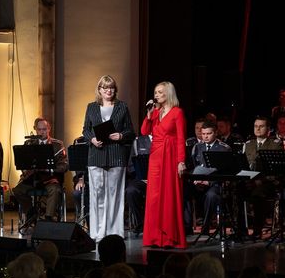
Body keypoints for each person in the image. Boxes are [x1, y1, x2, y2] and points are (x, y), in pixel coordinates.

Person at [82, 75, 135, 242]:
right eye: (105, 88)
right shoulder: (91, 107)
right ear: (99, 90)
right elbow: (85, 130)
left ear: (115, 89)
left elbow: (130, 131)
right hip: (96, 156)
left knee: (115, 195)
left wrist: (121, 135)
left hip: (116, 155)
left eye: (111, 87)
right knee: (97, 195)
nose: (108, 91)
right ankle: (97, 232)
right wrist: (92, 139)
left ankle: (114, 232)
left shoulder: (122, 107)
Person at [142, 81, 187, 249]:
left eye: (160, 92)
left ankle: (169, 237)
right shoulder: (155, 112)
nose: (156, 95)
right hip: (155, 157)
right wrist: (149, 114)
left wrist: (181, 161)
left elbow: (181, 138)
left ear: (168, 93)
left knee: (168, 195)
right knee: (154, 197)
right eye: (155, 92)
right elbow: (144, 131)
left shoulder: (177, 112)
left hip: (170, 156)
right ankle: (154, 237)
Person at [13, 117, 67, 222]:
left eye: (44, 129)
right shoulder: (29, 143)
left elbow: (64, 165)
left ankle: (48, 218)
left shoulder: (57, 145)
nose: (42, 132)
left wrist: (49, 169)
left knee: (55, 190)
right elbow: (23, 162)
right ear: (35, 129)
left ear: (49, 129)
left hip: (50, 178)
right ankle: (31, 213)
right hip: (33, 178)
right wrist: (25, 170)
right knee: (17, 190)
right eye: (39, 129)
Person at [186, 121, 231, 237]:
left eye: (208, 133)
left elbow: (226, 172)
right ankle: (187, 227)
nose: (205, 136)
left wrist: (209, 182)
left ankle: (205, 227)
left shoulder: (223, 148)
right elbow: (193, 166)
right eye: (203, 134)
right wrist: (195, 179)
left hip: (215, 184)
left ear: (215, 133)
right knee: (184, 191)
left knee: (211, 195)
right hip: (198, 182)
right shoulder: (197, 147)